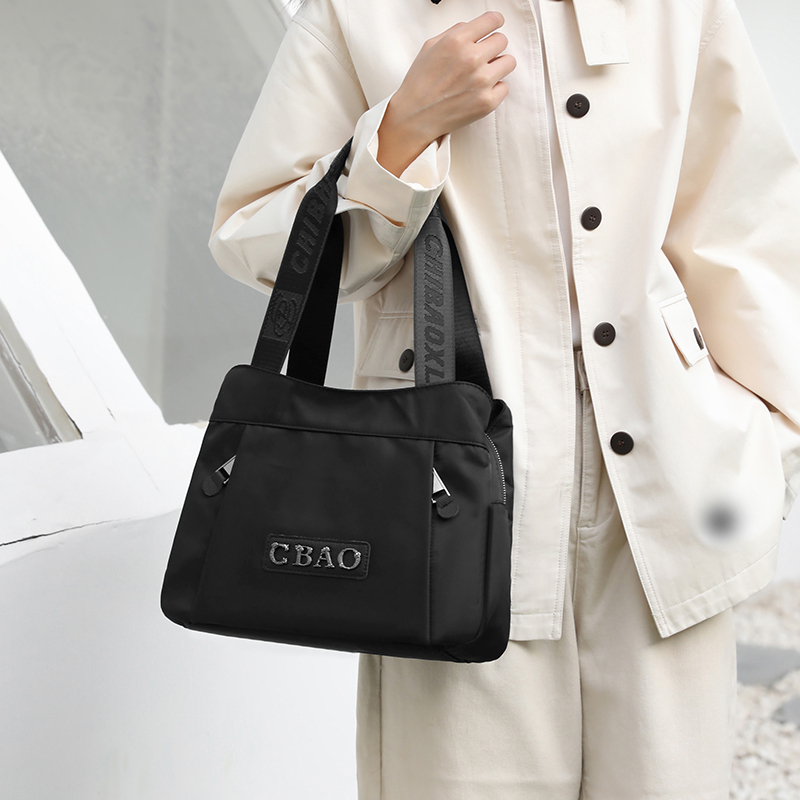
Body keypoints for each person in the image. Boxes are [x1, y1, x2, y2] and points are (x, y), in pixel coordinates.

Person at [208, 0, 800, 797]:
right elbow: (254, 236)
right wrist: (400, 135)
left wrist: (768, 440)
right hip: (447, 493)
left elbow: (745, 227)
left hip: (663, 485)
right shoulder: (359, 13)